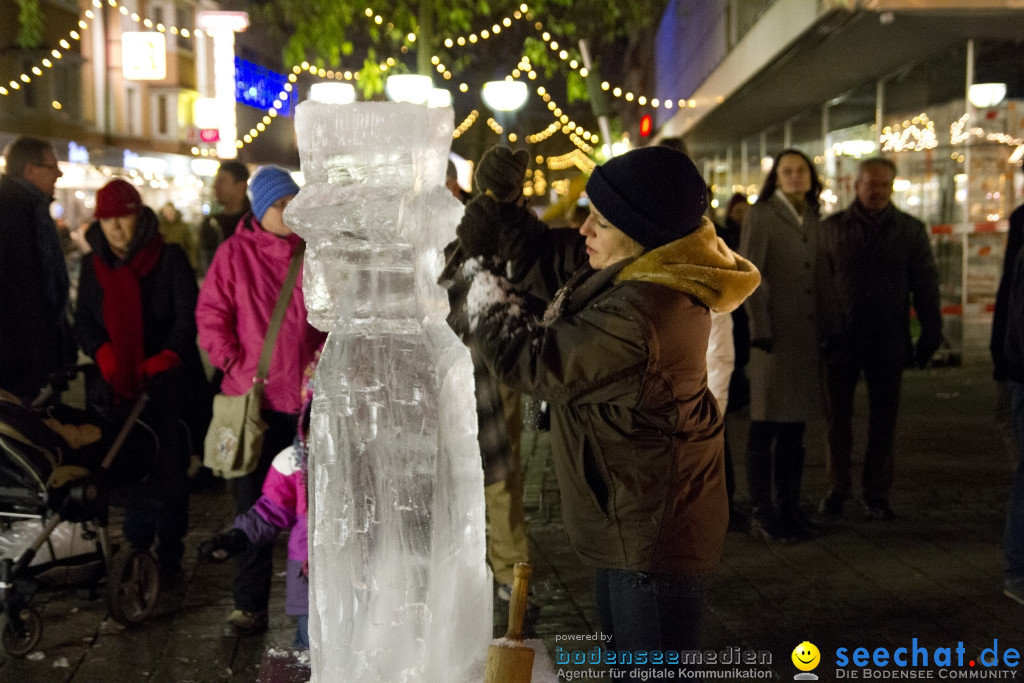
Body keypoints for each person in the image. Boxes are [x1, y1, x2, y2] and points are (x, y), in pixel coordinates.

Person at [447, 145, 760, 659]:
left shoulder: (647, 313)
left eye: (600, 222)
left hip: (652, 535)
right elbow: (550, 259)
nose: (584, 231)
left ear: (640, 235)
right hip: (629, 514)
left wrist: (478, 267)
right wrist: (502, 208)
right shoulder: (639, 267)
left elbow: (529, 358)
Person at [196, 165, 326, 637]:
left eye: (294, 203)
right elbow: (211, 313)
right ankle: (249, 606)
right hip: (254, 406)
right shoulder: (234, 254)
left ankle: (306, 615)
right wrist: (234, 362)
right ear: (259, 209)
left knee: (309, 512)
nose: (290, 212)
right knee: (252, 509)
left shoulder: (314, 254)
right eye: (280, 205)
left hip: (306, 406)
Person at [74, 178, 208, 582]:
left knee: (168, 471)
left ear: (139, 216)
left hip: (166, 386)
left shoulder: (168, 258)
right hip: (116, 386)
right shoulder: (92, 265)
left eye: (124, 216)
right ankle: (136, 548)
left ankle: (169, 554)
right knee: (129, 467)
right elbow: (83, 320)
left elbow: (188, 316)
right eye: (108, 218)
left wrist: (166, 356)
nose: (115, 226)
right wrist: (103, 352)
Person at [816, 157, 942, 521]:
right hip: (841, 339)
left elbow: (925, 284)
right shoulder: (832, 228)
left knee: (883, 420)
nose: (876, 191)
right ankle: (838, 488)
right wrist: (824, 330)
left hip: (887, 338)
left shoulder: (910, 230)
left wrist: (932, 332)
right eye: (870, 184)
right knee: (837, 419)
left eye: (884, 185)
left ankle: (876, 492)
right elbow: (819, 286)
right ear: (855, 186)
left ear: (892, 187)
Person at [199, 357, 318, 646]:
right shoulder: (294, 462)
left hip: (357, 576)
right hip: (308, 577)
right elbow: (271, 510)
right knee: (309, 643)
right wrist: (237, 537)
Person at [739, 149, 824, 542]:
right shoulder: (762, 214)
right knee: (766, 425)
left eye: (801, 170)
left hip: (804, 337)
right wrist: (760, 327)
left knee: (795, 429)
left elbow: (820, 272)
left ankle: (790, 508)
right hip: (772, 336)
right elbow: (750, 274)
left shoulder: (812, 214)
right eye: (787, 171)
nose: (794, 176)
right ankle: (763, 510)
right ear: (776, 177)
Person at [0, 137, 76, 400]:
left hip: (32, 352)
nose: (59, 173)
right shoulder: (13, 211)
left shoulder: (33, 208)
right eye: (52, 166)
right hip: (18, 360)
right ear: (30, 170)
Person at [723, 193, 751, 413]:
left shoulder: (749, 232)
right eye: (738, 211)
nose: (742, 215)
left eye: (745, 211)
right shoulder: (725, 235)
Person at [197, 161, 250, 275]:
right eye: (216, 181)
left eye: (222, 181)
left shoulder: (255, 223)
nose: (215, 186)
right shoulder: (211, 223)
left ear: (241, 186)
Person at [158, 202, 198, 268]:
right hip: (165, 265)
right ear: (163, 213)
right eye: (167, 211)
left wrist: (192, 264)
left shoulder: (183, 227)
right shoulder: (160, 228)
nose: (169, 213)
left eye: (171, 211)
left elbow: (191, 246)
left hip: (181, 263)